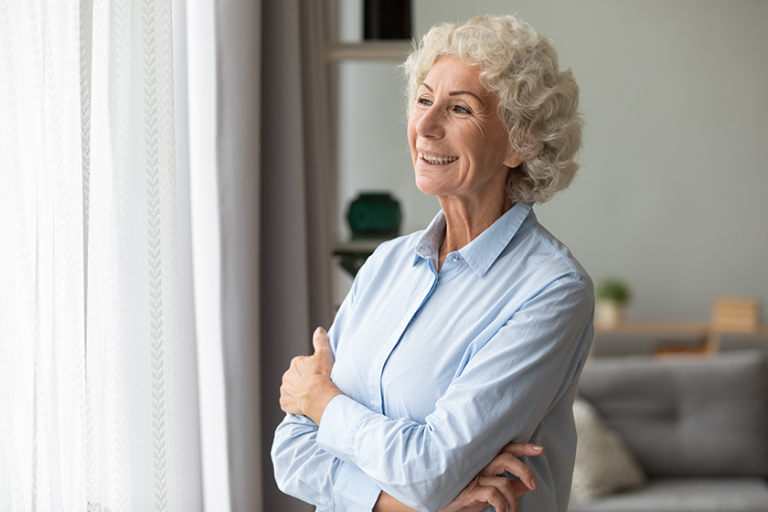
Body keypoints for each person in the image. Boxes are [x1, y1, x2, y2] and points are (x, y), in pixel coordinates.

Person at [272, 14, 593, 512]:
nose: (424, 125)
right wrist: (408, 504)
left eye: (459, 108)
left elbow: (428, 470)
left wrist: (320, 401)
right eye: (423, 100)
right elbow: (290, 453)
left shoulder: (553, 289)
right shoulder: (384, 264)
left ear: (520, 143)